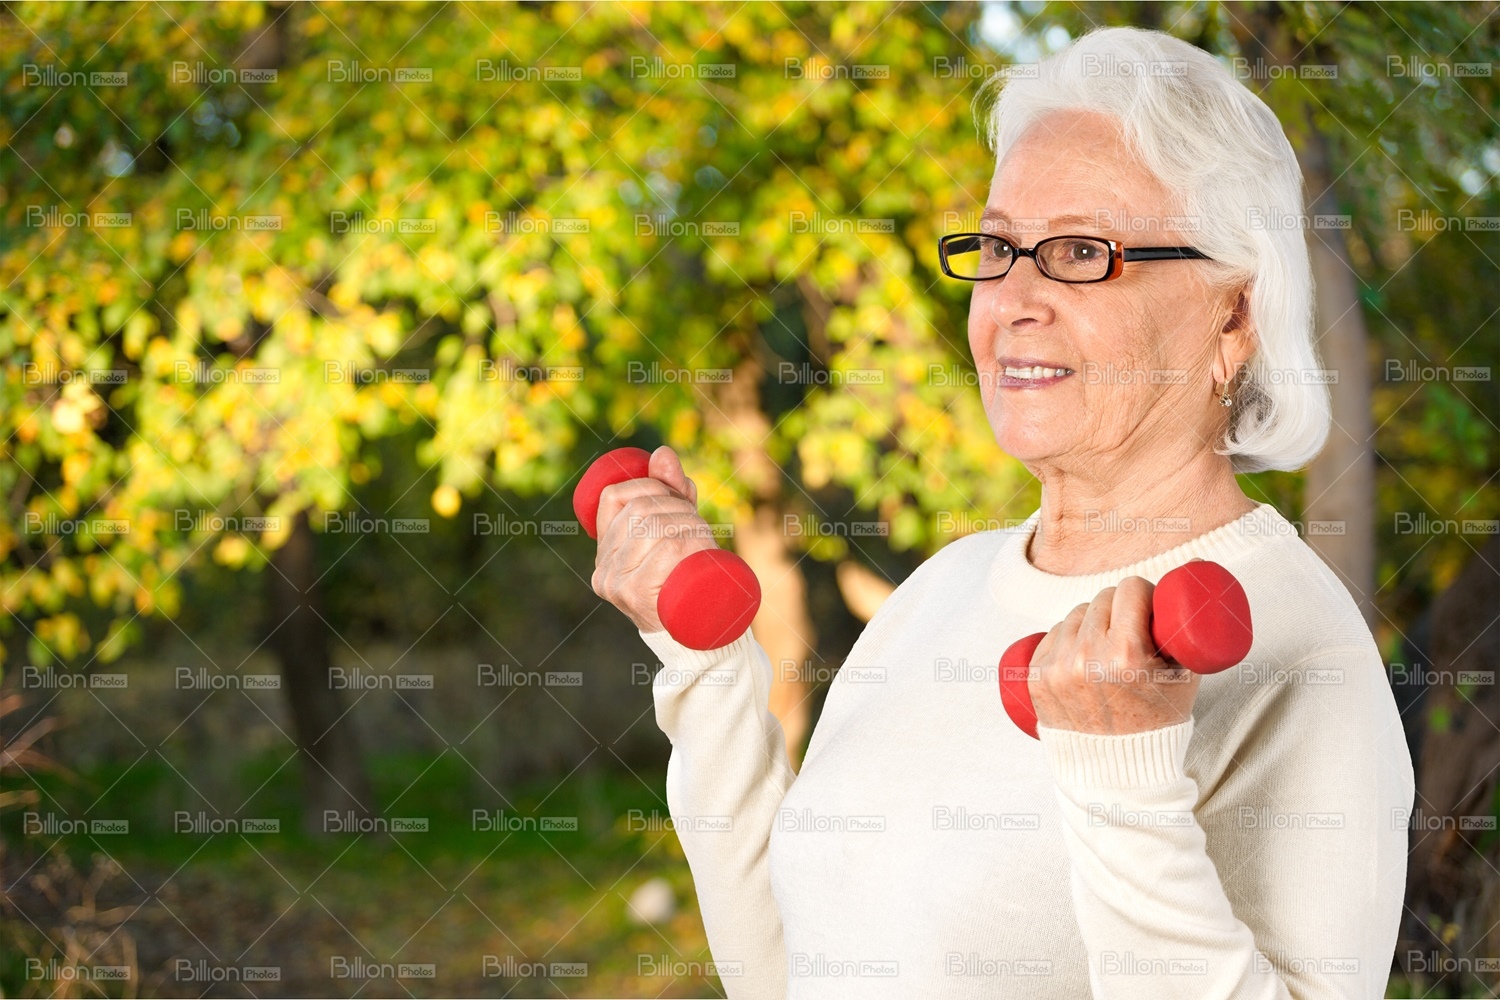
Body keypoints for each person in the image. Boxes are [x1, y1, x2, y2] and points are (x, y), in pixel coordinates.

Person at [590, 25, 1412, 1000]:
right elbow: (789, 971)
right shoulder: (940, 591)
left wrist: (1125, 781)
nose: (1013, 299)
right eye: (996, 247)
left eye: (1081, 251)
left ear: (1232, 314)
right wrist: (708, 665)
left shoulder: (1304, 652)